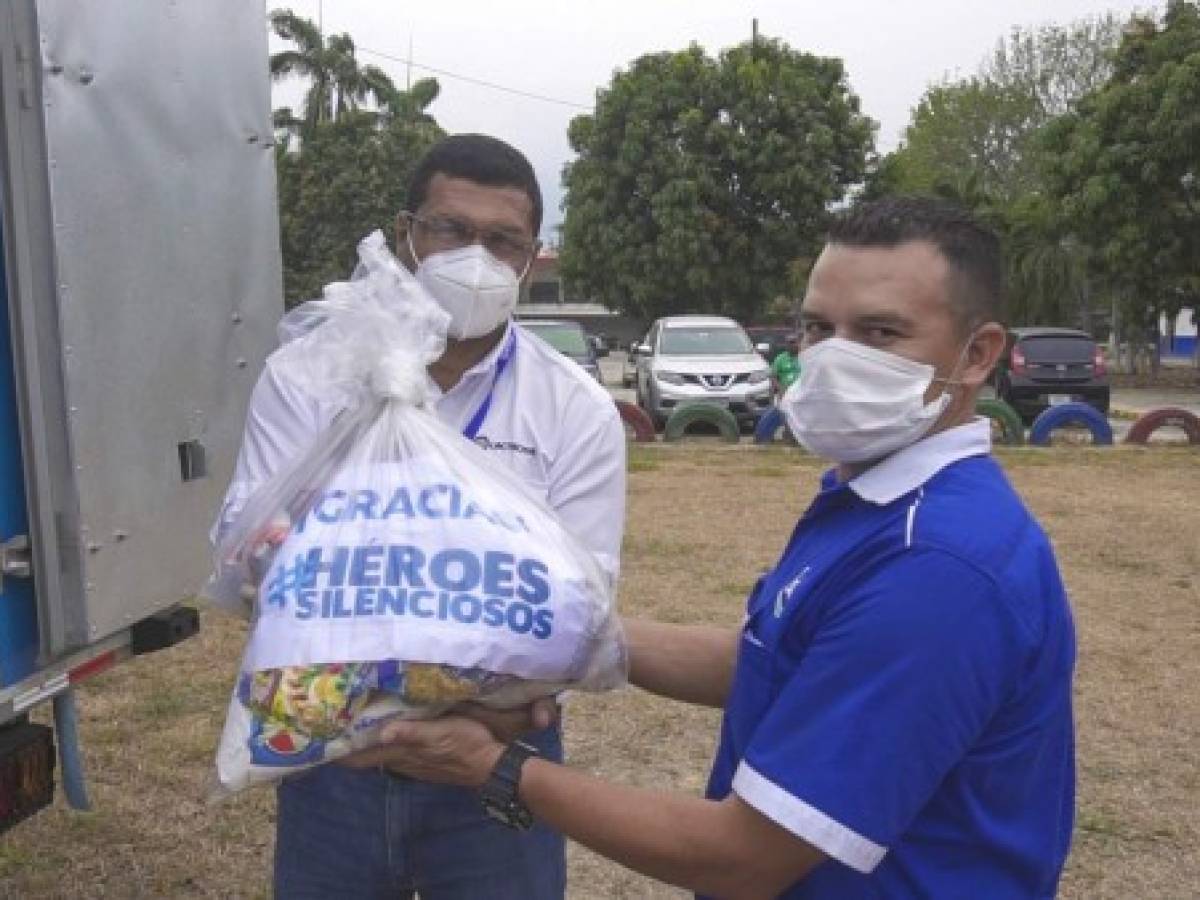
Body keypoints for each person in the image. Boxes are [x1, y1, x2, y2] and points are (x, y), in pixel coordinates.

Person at [347, 196, 1077, 898]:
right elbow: (775, 659)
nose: (831, 357)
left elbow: (743, 856)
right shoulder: (882, 502)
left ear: (979, 353)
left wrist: (492, 765)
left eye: (881, 333)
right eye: (818, 328)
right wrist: (552, 631)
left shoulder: (938, 568)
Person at [212, 134, 626, 898]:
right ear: (406, 234)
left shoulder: (574, 409)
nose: (476, 257)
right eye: (450, 230)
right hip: (331, 757)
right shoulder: (310, 375)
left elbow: (584, 611)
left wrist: (478, 722)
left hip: (500, 761)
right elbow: (246, 560)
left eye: (503, 241)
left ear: (532, 258)